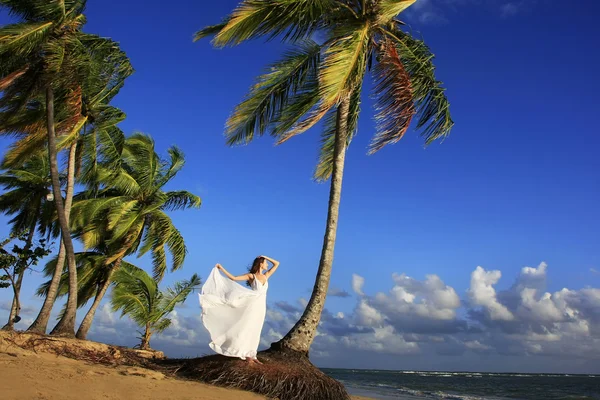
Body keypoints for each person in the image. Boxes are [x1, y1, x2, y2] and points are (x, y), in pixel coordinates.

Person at [199, 255, 280, 364]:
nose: (267, 265)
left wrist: (265, 256)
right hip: (252, 305)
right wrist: (221, 268)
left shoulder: (266, 276)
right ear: (261, 263)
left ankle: (252, 353)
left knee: (256, 329)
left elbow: (277, 264)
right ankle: (246, 354)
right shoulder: (251, 276)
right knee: (247, 327)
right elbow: (234, 278)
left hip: (261, 307)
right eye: (265, 262)